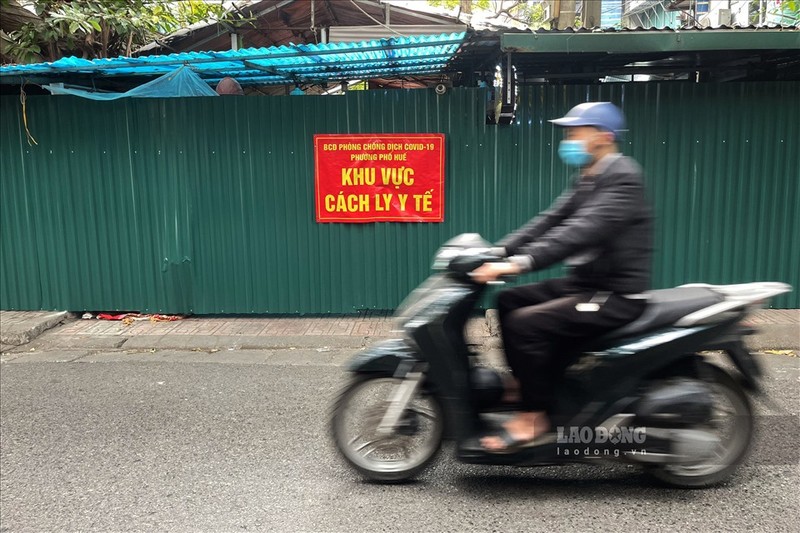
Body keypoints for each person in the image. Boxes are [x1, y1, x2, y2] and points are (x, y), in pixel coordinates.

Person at [471, 102, 653, 453]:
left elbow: (579, 232)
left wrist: (519, 264)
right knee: (508, 300)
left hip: (614, 295)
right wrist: (499, 252)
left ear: (602, 136)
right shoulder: (589, 177)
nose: (568, 139)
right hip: (586, 285)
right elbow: (550, 220)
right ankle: (527, 384)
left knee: (527, 324)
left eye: (575, 132)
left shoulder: (624, 177)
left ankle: (533, 417)